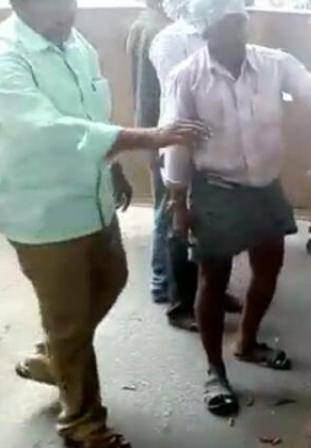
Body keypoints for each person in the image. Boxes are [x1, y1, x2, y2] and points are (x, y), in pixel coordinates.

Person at [162, 0, 311, 417]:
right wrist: (178, 203)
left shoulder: (274, 64)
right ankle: (214, 371)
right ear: (205, 32)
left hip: (264, 186)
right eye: (225, 27)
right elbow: (177, 143)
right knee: (213, 281)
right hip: (216, 188)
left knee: (269, 266)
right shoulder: (187, 78)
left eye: (240, 23)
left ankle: (247, 342)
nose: (237, 34)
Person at [0, 0, 208, 446]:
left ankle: (54, 355)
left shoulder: (76, 44)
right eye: (53, 7)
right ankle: (82, 424)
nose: (67, 13)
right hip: (45, 214)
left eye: (69, 2)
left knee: (112, 279)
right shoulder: (6, 57)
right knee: (70, 319)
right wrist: (148, 137)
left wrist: (112, 164)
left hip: (92, 199)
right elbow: (47, 129)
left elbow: (94, 112)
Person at [149, 0, 242, 331]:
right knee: (179, 223)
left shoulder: (220, 34)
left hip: (218, 147)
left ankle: (212, 291)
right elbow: (181, 95)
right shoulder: (170, 40)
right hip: (183, 143)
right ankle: (181, 303)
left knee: (214, 225)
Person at [127, 0, 171, 305]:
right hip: (163, 135)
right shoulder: (155, 29)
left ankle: (181, 282)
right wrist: (151, 141)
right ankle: (164, 283)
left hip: (164, 134)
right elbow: (147, 94)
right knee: (168, 211)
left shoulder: (150, 22)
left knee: (173, 210)